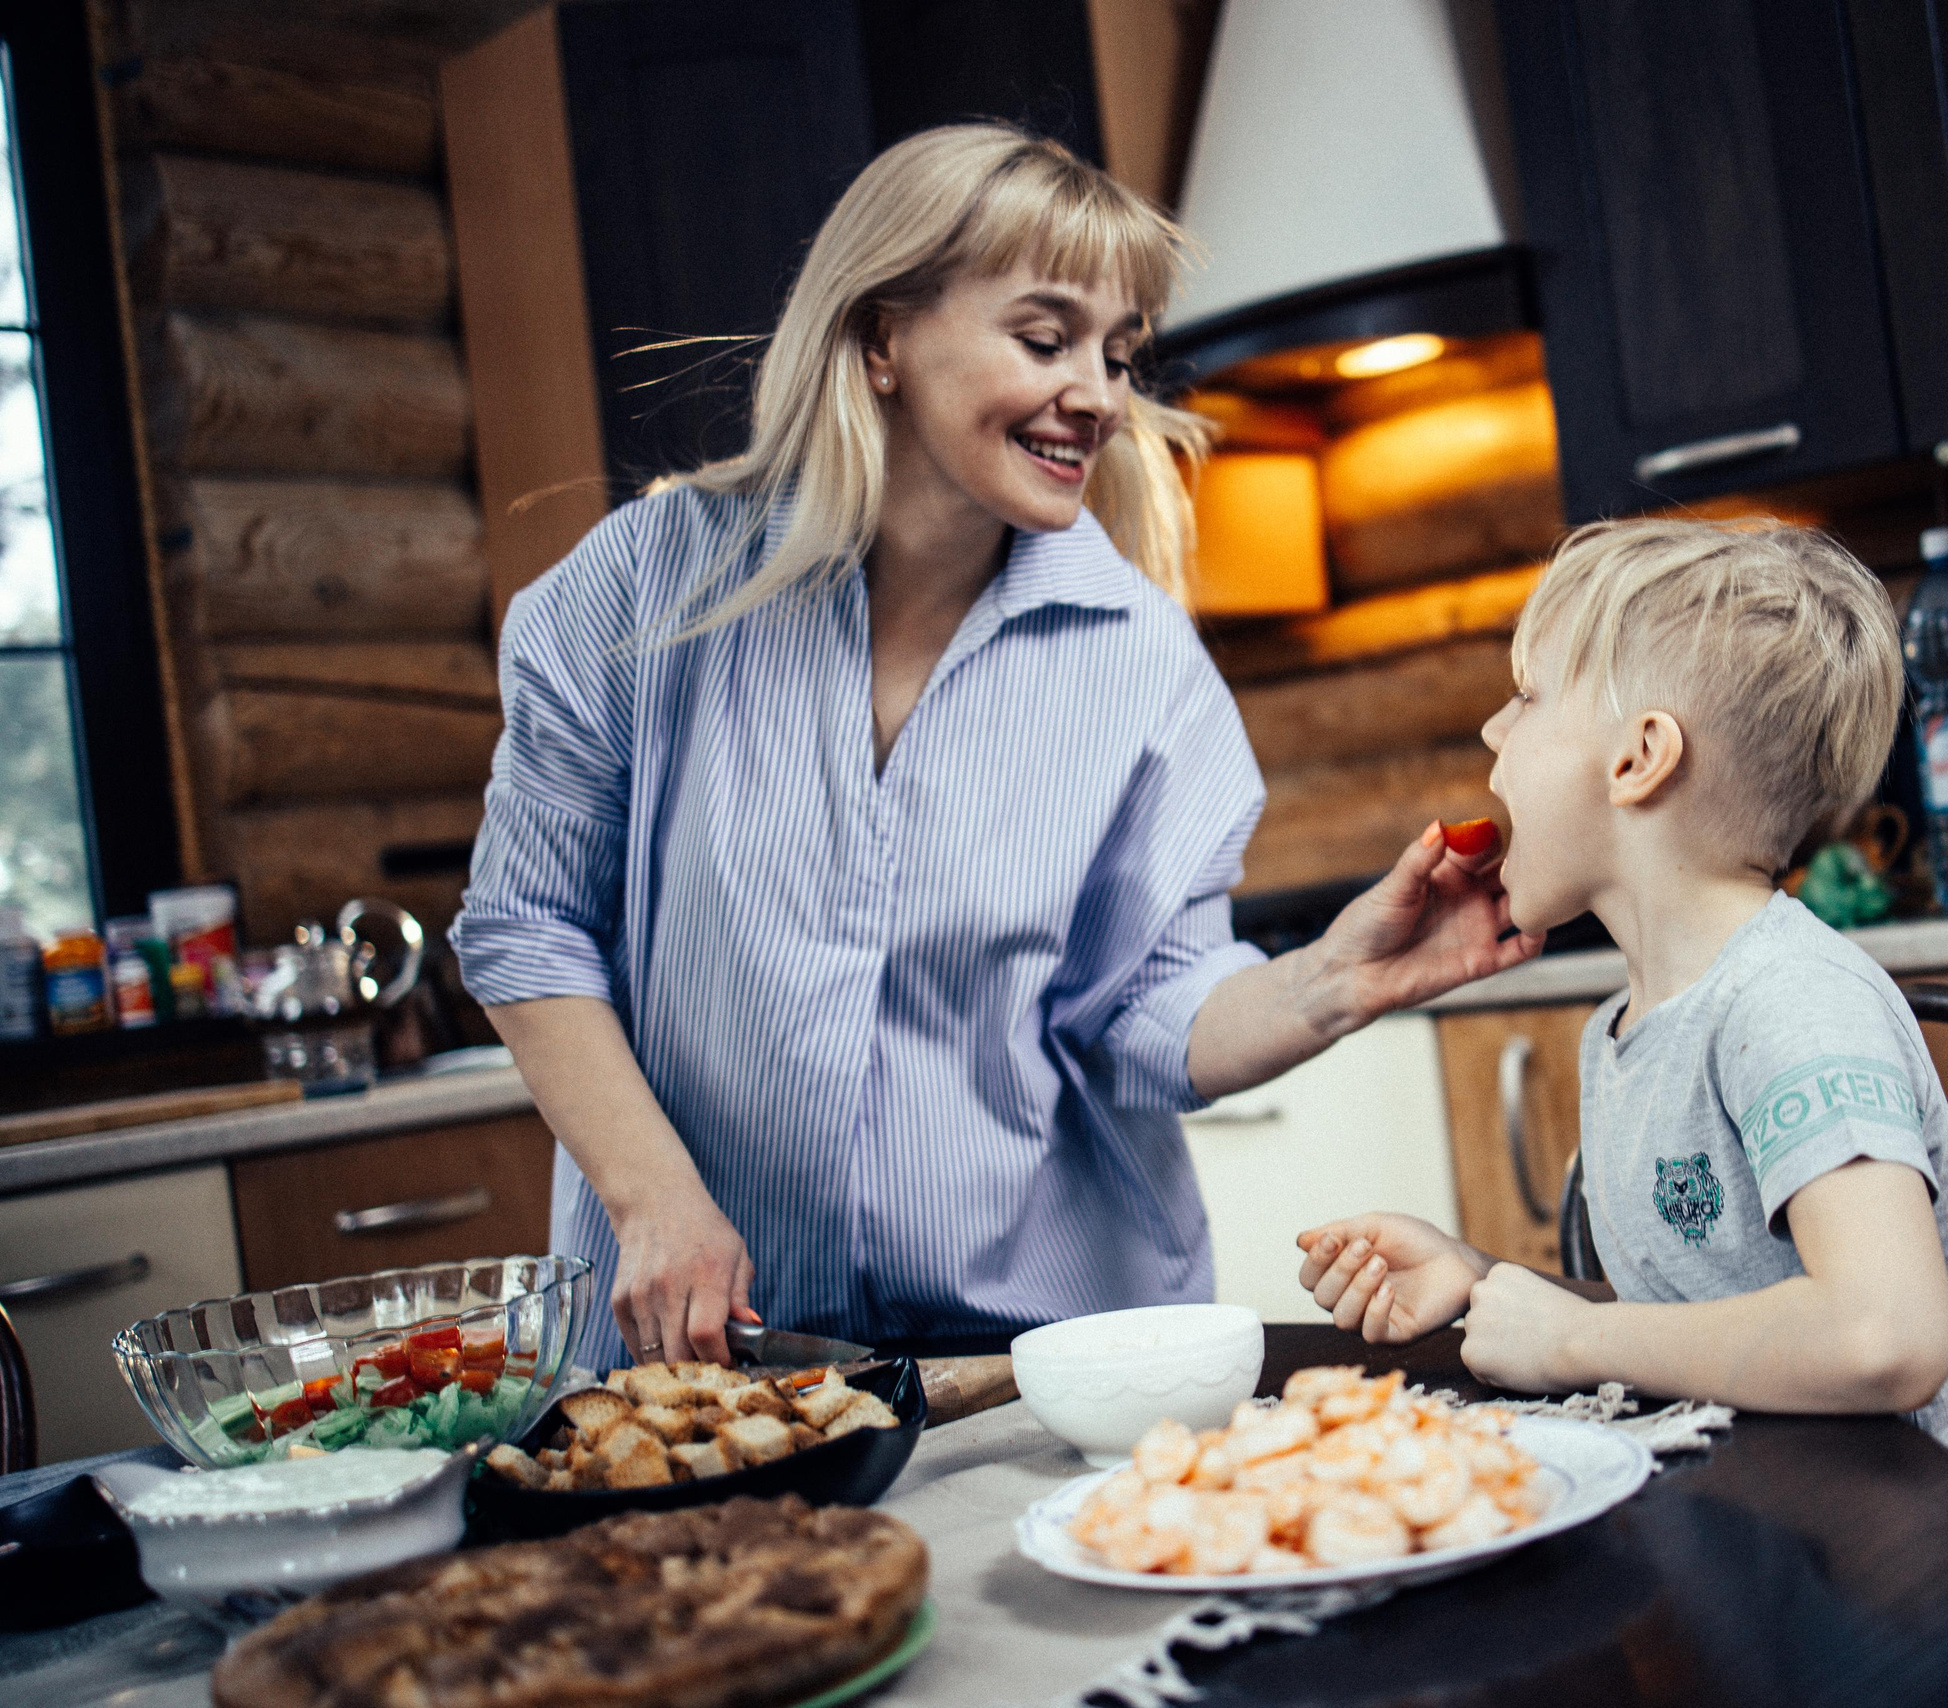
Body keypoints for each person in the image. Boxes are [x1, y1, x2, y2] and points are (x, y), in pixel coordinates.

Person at [451, 124, 1541, 1375]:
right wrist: (654, 1200)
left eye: (1120, 354)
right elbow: (527, 925)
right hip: (700, 1344)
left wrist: (1329, 982)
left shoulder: (1141, 663)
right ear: (879, 339)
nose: (1098, 392)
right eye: (1044, 338)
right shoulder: (644, 588)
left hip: (1035, 1356)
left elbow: (1143, 1009)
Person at [1293, 518, 1948, 1707]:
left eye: (1525, 697)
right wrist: (1485, 1278)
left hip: (1910, 1635)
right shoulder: (1625, 1030)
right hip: (1749, 1601)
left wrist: (1565, 1340)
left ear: (1638, 758)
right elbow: (1708, 1306)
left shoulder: (1789, 1003)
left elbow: (1884, 1335)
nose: (1492, 737)